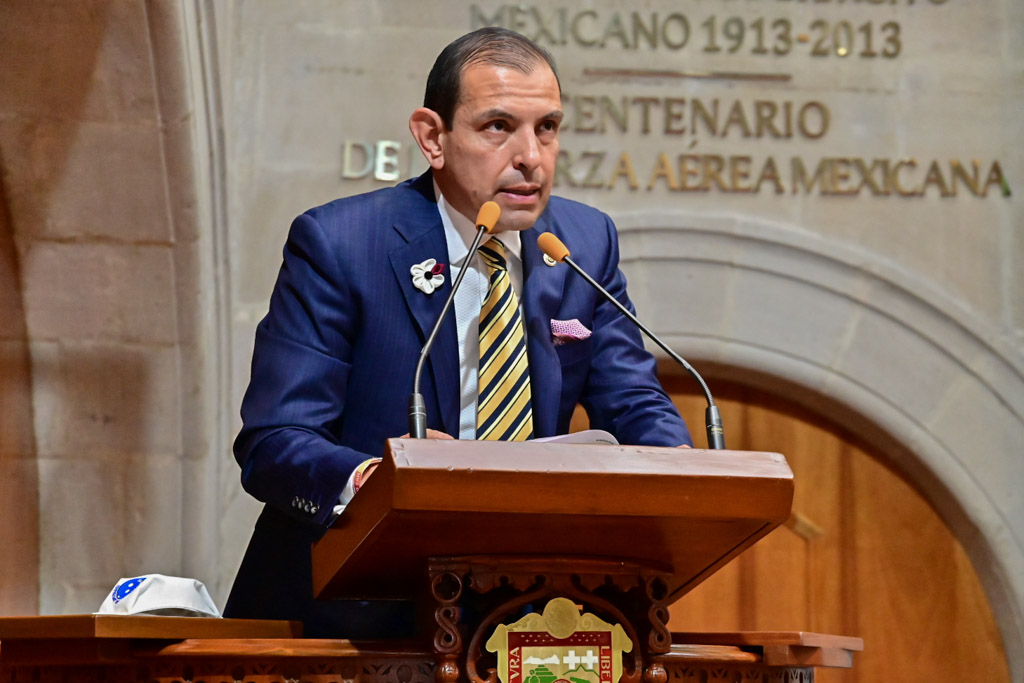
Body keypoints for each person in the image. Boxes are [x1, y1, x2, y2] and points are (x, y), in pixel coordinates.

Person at [224, 27, 692, 638]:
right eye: (498, 126)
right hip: (347, 617)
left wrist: (684, 472)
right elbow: (275, 441)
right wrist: (380, 480)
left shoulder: (582, 243)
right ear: (432, 137)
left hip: (521, 613)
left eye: (546, 127)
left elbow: (632, 399)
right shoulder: (341, 245)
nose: (531, 155)